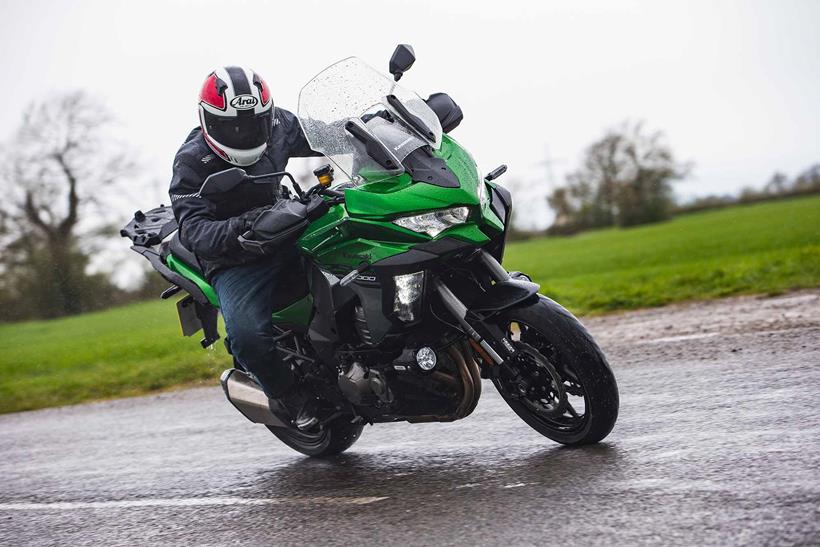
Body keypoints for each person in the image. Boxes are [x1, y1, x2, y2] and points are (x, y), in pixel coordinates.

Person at [168, 66, 321, 430]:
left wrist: (388, 123)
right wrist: (249, 225)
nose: (244, 131)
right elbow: (196, 232)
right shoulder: (191, 162)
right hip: (236, 258)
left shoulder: (280, 125)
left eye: (254, 123)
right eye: (233, 126)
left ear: (267, 115)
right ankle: (289, 397)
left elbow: (332, 136)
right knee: (248, 337)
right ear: (209, 120)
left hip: (290, 222)